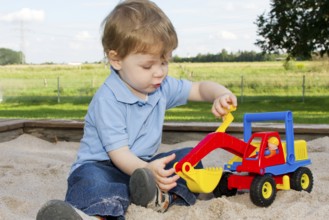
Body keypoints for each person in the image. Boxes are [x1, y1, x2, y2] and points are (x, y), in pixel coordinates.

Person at [36, 0, 237, 219]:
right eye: (148, 66)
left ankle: (162, 197)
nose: (159, 72)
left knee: (189, 156)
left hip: (144, 168)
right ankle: (93, 216)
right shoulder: (108, 99)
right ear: (116, 60)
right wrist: (147, 170)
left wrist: (220, 94)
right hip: (106, 166)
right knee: (92, 181)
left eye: (164, 61)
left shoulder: (161, 87)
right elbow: (119, 154)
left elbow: (198, 89)